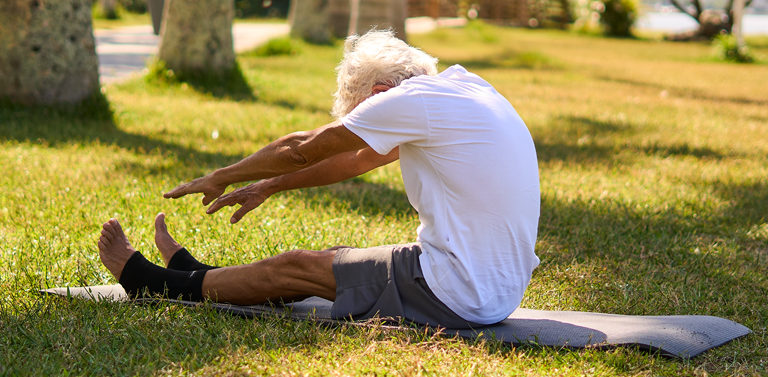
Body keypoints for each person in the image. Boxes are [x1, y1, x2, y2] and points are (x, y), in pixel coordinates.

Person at [97, 29, 540, 328]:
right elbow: (359, 159)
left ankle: (150, 284)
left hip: (460, 291)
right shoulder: (463, 88)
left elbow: (301, 148)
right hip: (494, 283)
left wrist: (222, 176)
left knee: (293, 266)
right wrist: (271, 185)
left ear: (379, 96)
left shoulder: (408, 101)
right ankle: (197, 274)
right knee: (326, 260)